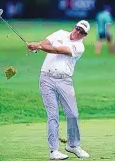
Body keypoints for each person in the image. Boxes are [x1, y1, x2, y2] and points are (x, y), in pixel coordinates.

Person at [26, 20, 90, 160]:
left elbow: (57, 50)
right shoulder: (60, 33)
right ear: (74, 27)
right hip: (46, 78)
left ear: (84, 35)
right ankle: (54, 150)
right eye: (78, 28)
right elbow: (46, 43)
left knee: (73, 114)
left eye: (82, 32)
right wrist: (37, 46)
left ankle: (73, 145)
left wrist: (37, 46)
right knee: (53, 115)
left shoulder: (79, 47)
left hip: (65, 80)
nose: (78, 32)